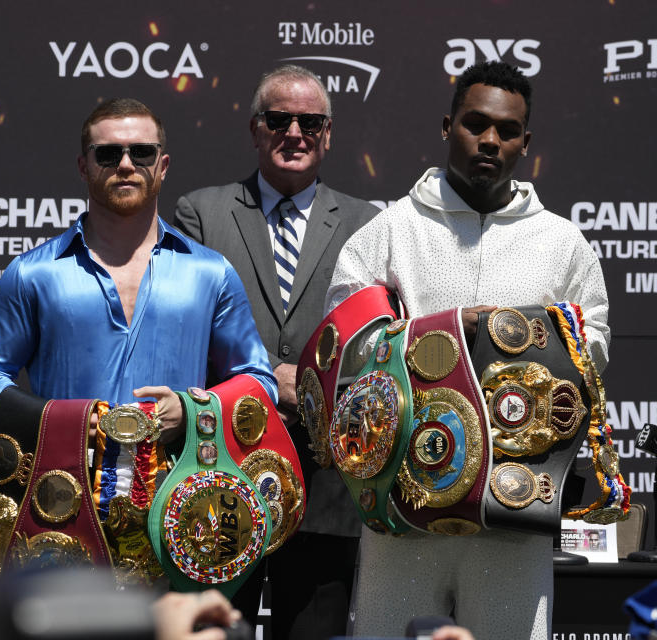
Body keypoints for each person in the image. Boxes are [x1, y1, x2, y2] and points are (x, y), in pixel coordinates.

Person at [325, 62, 610, 638]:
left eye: (506, 131)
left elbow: (593, 348)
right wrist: (453, 333)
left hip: (513, 509)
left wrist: (515, 343)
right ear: (446, 126)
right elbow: (347, 351)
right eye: (474, 124)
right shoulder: (390, 232)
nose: (489, 140)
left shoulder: (562, 244)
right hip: (405, 510)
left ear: (525, 143)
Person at [174, 65, 379, 639]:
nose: (294, 131)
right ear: (255, 128)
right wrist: (268, 377)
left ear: (329, 132)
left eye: (309, 121)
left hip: (326, 490)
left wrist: (312, 386)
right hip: (218, 480)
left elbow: (375, 344)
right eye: (279, 119)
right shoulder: (201, 213)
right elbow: (187, 328)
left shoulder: (369, 224)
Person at [0, 96, 276, 442]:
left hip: (181, 492)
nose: (126, 165)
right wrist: (59, 422)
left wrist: (193, 411)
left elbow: (260, 383)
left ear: (163, 165)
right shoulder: (33, 273)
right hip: (63, 487)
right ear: (84, 167)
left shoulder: (211, 273)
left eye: (142, 153)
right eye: (108, 155)